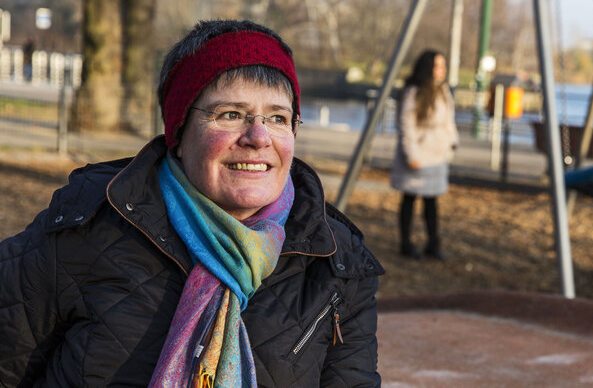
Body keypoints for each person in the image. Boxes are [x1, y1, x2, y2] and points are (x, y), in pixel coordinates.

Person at [0, 20, 384, 386]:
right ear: (179, 133)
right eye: (231, 114)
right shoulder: (85, 229)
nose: (258, 136)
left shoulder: (336, 263)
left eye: (278, 117)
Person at [390, 50, 459, 260]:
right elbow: (406, 126)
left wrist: (452, 142)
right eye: (438, 66)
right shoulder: (414, 92)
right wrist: (411, 154)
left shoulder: (443, 91)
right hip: (418, 154)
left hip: (437, 154)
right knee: (409, 198)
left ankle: (433, 243)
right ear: (428, 68)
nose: (442, 71)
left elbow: (449, 120)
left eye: (443, 66)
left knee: (432, 201)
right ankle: (406, 243)